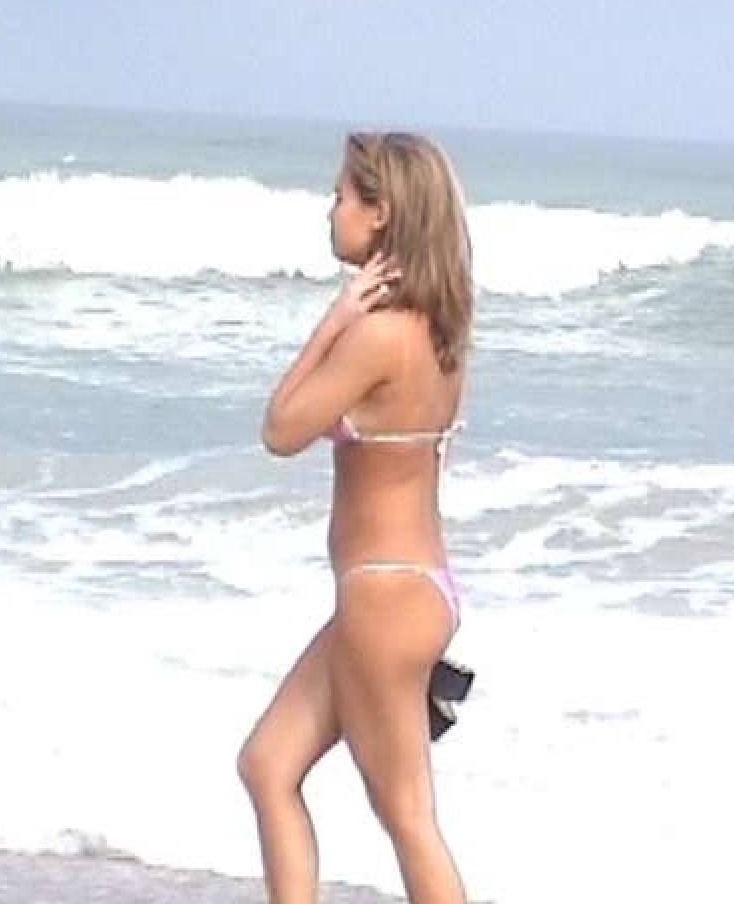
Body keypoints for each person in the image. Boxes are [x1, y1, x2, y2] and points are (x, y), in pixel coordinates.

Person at [238, 131, 473, 903]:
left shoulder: (376, 335)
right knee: (269, 764)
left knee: (407, 817)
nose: (330, 209)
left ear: (381, 213)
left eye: (341, 195)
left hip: (382, 599)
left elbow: (280, 429)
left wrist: (334, 319)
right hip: (412, 589)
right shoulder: (438, 333)